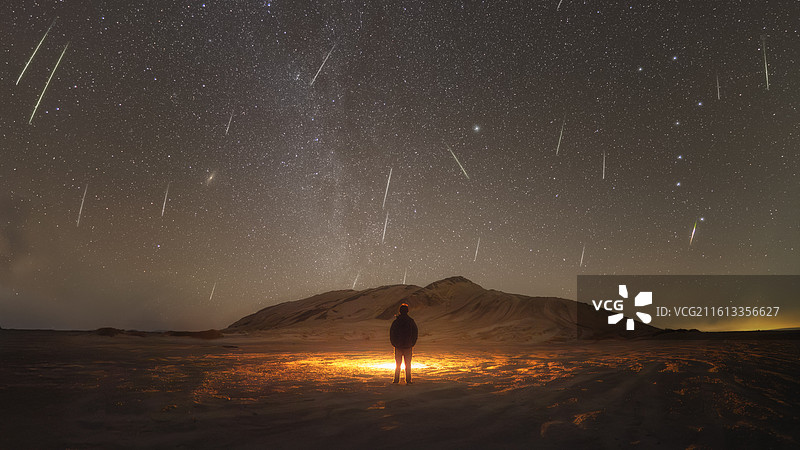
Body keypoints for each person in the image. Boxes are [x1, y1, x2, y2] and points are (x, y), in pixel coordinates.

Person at [390, 303, 418, 384]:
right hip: (408, 346)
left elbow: (392, 333)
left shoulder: (396, 322)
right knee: (407, 364)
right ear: (407, 311)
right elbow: (415, 333)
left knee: (398, 364)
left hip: (398, 346)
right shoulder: (411, 321)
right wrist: (412, 343)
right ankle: (408, 380)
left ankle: (396, 380)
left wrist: (394, 343)